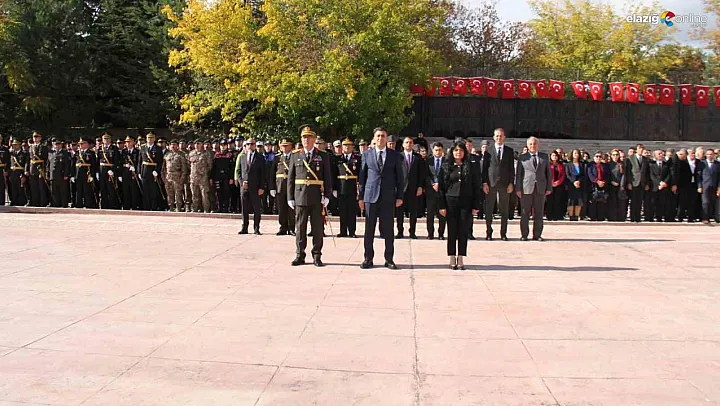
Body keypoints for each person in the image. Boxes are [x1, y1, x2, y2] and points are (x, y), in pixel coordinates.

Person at [359, 127, 405, 270]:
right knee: (369, 230)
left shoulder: (395, 155)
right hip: (370, 196)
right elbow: (362, 177)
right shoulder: (366, 154)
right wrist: (361, 197)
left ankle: (389, 259)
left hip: (388, 197)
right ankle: (368, 258)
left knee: (388, 230)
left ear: (386, 138)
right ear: (374, 138)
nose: (380, 138)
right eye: (378, 136)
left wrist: (400, 196)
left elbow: (400, 178)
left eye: (383, 136)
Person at [287, 125, 333, 266]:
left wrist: (327, 195)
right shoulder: (295, 155)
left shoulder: (323, 155)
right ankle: (300, 255)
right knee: (300, 228)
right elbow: (290, 178)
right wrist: (290, 197)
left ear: (314, 139)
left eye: (309, 137)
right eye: (304, 137)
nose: (306, 140)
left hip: (317, 196)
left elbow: (327, 177)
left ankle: (317, 255)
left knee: (317, 228)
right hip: (300, 196)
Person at [438, 141, 481, 270]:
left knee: (463, 230)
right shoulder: (446, 166)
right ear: (452, 152)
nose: (458, 153)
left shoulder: (470, 166)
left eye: (461, 150)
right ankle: (452, 256)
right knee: (451, 230)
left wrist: (476, 205)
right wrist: (441, 205)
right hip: (450, 201)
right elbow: (441, 187)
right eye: (456, 150)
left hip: (466, 201)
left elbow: (476, 186)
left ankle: (461, 256)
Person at [515, 137, 552, 241]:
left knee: (539, 213)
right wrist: (518, 189)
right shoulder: (522, 157)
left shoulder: (544, 157)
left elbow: (548, 173)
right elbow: (519, 174)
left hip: (540, 188)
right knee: (524, 213)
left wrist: (549, 187)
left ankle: (537, 235)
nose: (533, 146)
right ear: (527, 145)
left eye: (534, 144)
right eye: (531, 144)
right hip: (526, 188)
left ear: (538, 145)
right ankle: (524, 235)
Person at [482, 128, 515, 240]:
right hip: (491, 183)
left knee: (504, 210)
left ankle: (503, 233)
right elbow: (484, 169)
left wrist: (511, 183)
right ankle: (489, 232)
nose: (499, 138)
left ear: (504, 137)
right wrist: (484, 183)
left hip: (505, 184)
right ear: (493, 137)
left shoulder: (509, 151)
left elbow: (511, 169)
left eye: (501, 136)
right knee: (489, 210)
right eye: (497, 136)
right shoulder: (488, 151)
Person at [235, 137, 266, 234]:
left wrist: (262, 187)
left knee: (256, 209)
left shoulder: (260, 157)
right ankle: (244, 227)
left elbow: (263, 174)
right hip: (244, 187)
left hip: (256, 187)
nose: (249, 146)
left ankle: (256, 228)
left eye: (252, 144)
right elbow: (238, 171)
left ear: (255, 145)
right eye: (248, 144)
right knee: (244, 208)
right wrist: (241, 182)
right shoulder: (242, 157)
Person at [396, 136, 424, 239]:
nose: (409, 144)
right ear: (403, 145)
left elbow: (421, 173)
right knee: (399, 212)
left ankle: (412, 232)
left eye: (411, 142)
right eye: (407, 142)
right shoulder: (398, 156)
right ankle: (400, 231)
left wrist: (420, 186)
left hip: (413, 188)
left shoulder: (418, 157)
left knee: (413, 212)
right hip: (401, 189)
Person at [335, 137, 361, 238]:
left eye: (349, 145)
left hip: (352, 188)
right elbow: (333, 174)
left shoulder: (357, 159)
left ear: (352, 147)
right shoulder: (337, 159)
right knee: (342, 210)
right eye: (345, 145)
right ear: (342, 146)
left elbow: (360, 174)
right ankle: (343, 231)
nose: (347, 147)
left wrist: (360, 188)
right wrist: (334, 189)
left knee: (352, 210)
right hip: (341, 187)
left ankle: (352, 231)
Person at [269, 138, 296, 236]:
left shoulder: (295, 157)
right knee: (281, 208)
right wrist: (272, 187)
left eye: (286, 145)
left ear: (291, 146)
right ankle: (283, 227)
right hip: (279, 186)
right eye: (282, 146)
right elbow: (272, 173)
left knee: (291, 208)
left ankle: (291, 228)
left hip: (291, 186)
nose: (284, 147)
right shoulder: (277, 158)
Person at [425, 142, 446, 240]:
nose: (438, 152)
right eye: (436, 150)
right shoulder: (428, 161)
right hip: (431, 191)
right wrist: (432, 184)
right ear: (432, 150)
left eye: (440, 150)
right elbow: (426, 175)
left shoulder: (446, 161)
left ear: (442, 150)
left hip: (442, 191)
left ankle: (441, 233)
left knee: (442, 213)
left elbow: (448, 175)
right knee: (430, 214)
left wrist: (439, 184)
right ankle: (430, 233)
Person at [139, 132, 164, 211]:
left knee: (153, 191)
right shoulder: (143, 147)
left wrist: (157, 170)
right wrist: (139, 172)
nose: (149, 139)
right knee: (145, 191)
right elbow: (140, 161)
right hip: (144, 171)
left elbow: (160, 161)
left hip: (153, 172)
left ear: (154, 139)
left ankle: (153, 207)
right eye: (148, 138)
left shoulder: (158, 148)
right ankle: (146, 207)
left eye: (151, 138)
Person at [162, 139, 189, 212]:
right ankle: (171, 207)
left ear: (177, 146)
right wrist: (163, 177)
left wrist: (182, 178)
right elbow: (163, 167)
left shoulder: (181, 155)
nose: (173, 146)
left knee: (178, 193)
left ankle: (178, 207)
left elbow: (184, 168)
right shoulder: (167, 154)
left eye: (174, 144)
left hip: (177, 176)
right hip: (168, 176)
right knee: (169, 193)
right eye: (171, 144)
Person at [625, 144, 649, 222]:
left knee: (639, 201)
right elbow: (628, 172)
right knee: (633, 201)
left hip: (642, 183)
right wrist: (629, 182)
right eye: (639, 148)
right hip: (634, 182)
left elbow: (647, 172)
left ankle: (638, 217)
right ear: (636, 150)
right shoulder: (630, 158)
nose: (641, 150)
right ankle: (633, 217)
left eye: (642, 148)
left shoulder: (645, 159)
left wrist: (647, 183)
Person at [97, 132, 122, 209]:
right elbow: (97, 161)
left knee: (111, 189)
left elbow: (116, 160)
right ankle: (104, 206)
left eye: (107, 139)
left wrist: (113, 170)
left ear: (110, 139)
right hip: (102, 170)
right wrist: (97, 171)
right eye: (104, 139)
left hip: (110, 170)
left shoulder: (114, 148)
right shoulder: (100, 148)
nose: (106, 140)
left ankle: (112, 206)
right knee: (103, 189)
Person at [646, 150, 672, 222]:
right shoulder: (651, 164)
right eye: (659, 154)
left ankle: (659, 217)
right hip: (654, 186)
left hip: (663, 186)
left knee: (661, 202)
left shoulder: (666, 165)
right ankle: (650, 217)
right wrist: (659, 183)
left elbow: (668, 175)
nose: (661, 155)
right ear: (655, 155)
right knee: (652, 202)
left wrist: (664, 182)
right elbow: (651, 175)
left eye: (662, 154)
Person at [72, 138, 98, 209]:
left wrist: (92, 174)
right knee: (78, 190)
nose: (80, 145)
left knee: (87, 190)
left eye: (82, 144)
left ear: (86, 144)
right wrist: (72, 175)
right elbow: (73, 164)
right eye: (80, 144)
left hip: (87, 173)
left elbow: (93, 164)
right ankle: (78, 204)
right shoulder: (77, 153)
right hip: (78, 173)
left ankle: (88, 204)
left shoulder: (91, 152)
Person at [26, 131, 49, 207]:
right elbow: (28, 159)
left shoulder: (43, 147)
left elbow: (46, 159)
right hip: (32, 168)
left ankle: (42, 202)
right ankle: (35, 202)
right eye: (34, 137)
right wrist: (26, 169)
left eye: (37, 137)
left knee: (41, 187)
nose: (35, 139)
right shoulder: (31, 147)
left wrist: (45, 170)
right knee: (33, 187)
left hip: (40, 168)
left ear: (40, 138)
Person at [211, 140, 234, 213]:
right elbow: (213, 167)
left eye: (224, 145)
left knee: (226, 193)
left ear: (227, 146)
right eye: (221, 145)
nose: (223, 146)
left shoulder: (230, 155)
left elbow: (232, 167)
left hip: (226, 177)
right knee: (219, 193)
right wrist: (211, 177)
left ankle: (226, 208)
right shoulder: (216, 155)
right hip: (218, 177)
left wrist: (231, 178)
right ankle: (220, 207)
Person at [47, 139, 71, 208]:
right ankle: (55, 204)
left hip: (62, 174)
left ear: (61, 145)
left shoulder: (65, 153)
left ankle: (64, 204)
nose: (57, 146)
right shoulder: (51, 153)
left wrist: (66, 174)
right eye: (56, 144)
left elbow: (67, 165)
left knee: (63, 190)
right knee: (54, 191)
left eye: (59, 144)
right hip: (53, 175)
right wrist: (48, 174)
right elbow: (48, 164)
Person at [587, 151, 610, 221]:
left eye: (600, 156)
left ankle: (600, 217)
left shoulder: (605, 165)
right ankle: (592, 217)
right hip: (593, 185)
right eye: (597, 156)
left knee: (601, 202)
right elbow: (590, 174)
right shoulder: (590, 165)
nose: (598, 158)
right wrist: (597, 181)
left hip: (603, 185)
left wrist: (603, 182)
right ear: (594, 157)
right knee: (593, 202)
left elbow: (608, 175)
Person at [120, 136, 142, 210]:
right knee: (126, 191)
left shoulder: (137, 151)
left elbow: (139, 162)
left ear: (133, 142)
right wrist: (124, 166)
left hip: (134, 174)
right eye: (126, 142)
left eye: (129, 142)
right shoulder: (123, 151)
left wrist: (135, 168)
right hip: (125, 174)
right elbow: (120, 163)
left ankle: (134, 207)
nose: (128, 143)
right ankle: (126, 207)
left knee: (134, 191)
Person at [698, 149, 719, 223]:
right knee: (705, 202)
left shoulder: (717, 164)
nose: (709, 156)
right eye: (708, 154)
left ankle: (711, 217)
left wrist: (719, 187)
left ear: (714, 155)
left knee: (712, 202)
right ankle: (704, 218)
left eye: (711, 154)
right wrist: (699, 186)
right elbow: (699, 176)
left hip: (714, 186)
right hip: (705, 186)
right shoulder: (702, 163)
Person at [565, 149, 586, 221]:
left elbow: (583, 175)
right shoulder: (568, 164)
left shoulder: (582, 164)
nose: (576, 154)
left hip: (579, 184)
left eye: (577, 153)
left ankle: (576, 216)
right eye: (575, 153)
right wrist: (573, 181)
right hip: (571, 184)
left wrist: (579, 181)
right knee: (571, 200)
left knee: (578, 200)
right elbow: (568, 175)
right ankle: (571, 216)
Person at [607, 149, 627, 222]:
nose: (615, 156)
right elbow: (607, 174)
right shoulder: (608, 164)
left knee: (620, 203)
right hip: (611, 185)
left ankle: (620, 218)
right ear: (611, 156)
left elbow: (623, 175)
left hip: (620, 186)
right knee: (612, 202)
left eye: (617, 155)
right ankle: (612, 217)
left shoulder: (622, 164)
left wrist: (621, 185)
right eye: (614, 155)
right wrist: (611, 181)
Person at [546, 151, 566, 221]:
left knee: (557, 200)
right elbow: (545, 175)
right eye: (553, 155)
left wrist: (558, 182)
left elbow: (563, 175)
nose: (554, 157)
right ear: (550, 156)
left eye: (555, 155)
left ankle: (556, 216)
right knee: (549, 201)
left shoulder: (561, 165)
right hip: (549, 185)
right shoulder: (548, 165)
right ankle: (549, 216)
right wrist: (551, 183)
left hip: (559, 185)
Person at [8, 139, 28, 206]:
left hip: (20, 172)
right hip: (13, 173)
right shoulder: (12, 154)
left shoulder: (23, 153)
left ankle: (21, 202)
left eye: (16, 145)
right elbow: (10, 164)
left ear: (19, 145)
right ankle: (14, 201)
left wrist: (24, 174)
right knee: (13, 188)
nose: (14, 146)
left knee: (20, 189)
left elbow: (25, 164)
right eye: (13, 145)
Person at [0, 134, 9, 206]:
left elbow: (7, 160)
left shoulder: (5, 149)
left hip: (2, 169)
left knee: (1, 186)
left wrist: (6, 170)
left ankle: (1, 202)